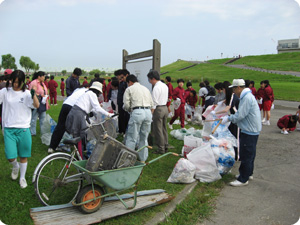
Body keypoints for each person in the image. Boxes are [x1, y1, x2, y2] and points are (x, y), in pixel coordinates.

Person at [0, 70, 40, 188]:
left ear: (23, 82)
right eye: (13, 81)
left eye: (18, 82)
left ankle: (22, 178)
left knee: (23, 155)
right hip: (9, 128)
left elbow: (36, 105)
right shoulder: (5, 92)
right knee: (10, 156)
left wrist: (33, 94)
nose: (15, 84)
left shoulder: (27, 93)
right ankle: (15, 166)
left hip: (23, 128)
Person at [221, 79, 261, 187]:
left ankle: (243, 179)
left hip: (249, 130)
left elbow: (240, 115)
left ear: (239, 87)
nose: (234, 92)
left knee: (246, 154)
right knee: (250, 153)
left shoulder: (246, 98)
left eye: (234, 89)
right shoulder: (247, 96)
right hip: (252, 129)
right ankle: (248, 173)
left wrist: (229, 118)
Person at [48, 85, 89, 153]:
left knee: (60, 126)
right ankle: (82, 149)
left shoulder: (78, 89)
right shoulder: (90, 92)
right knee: (79, 128)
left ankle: (52, 147)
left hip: (66, 104)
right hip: (74, 107)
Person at [123, 75, 153, 162]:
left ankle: (128, 159)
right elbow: (151, 103)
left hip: (137, 112)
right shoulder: (146, 89)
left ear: (129, 82)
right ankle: (142, 159)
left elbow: (126, 105)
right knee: (144, 137)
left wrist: (129, 110)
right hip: (148, 112)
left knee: (132, 137)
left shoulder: (129, 89)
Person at [147, 70, 169, 154]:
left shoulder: (156, 87)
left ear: (153, 79)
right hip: (165, 107)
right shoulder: (164, 85)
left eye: (149, 80)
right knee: (164, 128)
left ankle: (161, 148)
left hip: (158, 109)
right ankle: (165, 145)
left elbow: (154, 102)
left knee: (158, 130)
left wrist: (151, 112)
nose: (149, 81)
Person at [28, 71, 49, 136]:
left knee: (42, 117)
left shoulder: (42, 83)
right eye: (43, 76)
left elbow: (45, 92)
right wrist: (39, 95)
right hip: (36, 102)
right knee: (34, 117)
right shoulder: (34, 83)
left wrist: (47, 103)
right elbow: (30, 92)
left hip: (43, 102)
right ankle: (32, 132)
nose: (44, 78)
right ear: (39, 76)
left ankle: (42, 131)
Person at [116, 69, 130, 135]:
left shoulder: (128, 84)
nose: (121, 78)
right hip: (120, 102)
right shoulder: (122, 83)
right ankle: (121, 130)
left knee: (126, 117)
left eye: (122, 77)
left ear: (126, 75)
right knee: (121, 116)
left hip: (126, 103)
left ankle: (125, 131)